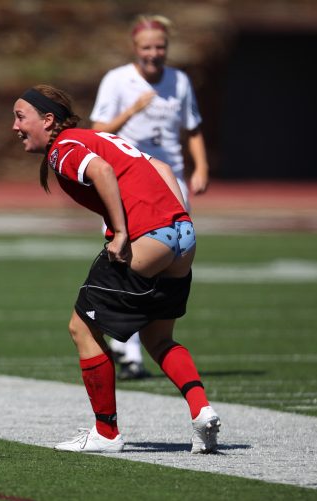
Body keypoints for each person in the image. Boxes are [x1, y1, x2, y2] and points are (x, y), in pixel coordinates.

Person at [12, 84, 220, 454]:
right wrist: (175, 221)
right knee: (158, 339)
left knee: (82, 328)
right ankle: (201, 410)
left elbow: (102, 171)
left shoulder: (63, 147)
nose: (14, 126)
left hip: (148, 238)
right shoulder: (96, 136)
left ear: (47, 120)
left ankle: (106, 433)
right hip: (183, 235)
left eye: (20, 116)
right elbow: (162, 167)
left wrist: (124, 232)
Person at [90, 14, 211, 381]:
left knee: (170, 262)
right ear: (134, 48)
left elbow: (192, 128)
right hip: (126, 181)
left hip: (170, 181)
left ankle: (151, 340)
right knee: (125, 260)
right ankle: (129, 351)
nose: (154, 53)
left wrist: (200, 167)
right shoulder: (117, 80)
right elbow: (97, 132)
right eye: (147, 47)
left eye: (160, 47)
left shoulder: (179, 80)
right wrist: (131, 111)